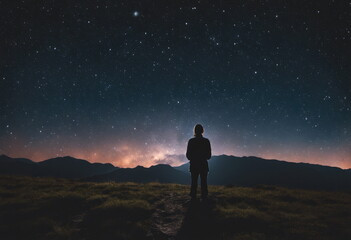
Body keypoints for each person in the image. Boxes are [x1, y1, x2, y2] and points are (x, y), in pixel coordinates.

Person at [186, 124, 211, 199]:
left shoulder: (191, 141)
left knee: (194, 182)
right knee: (204, 182)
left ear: (195, 131)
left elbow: (188, 155)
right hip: (203, 165)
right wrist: (202, 157)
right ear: (202, 131)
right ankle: (204, 199)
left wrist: (194, 158)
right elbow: (209, 156)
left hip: (194, 165)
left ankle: (193, 199)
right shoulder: (206, 141)